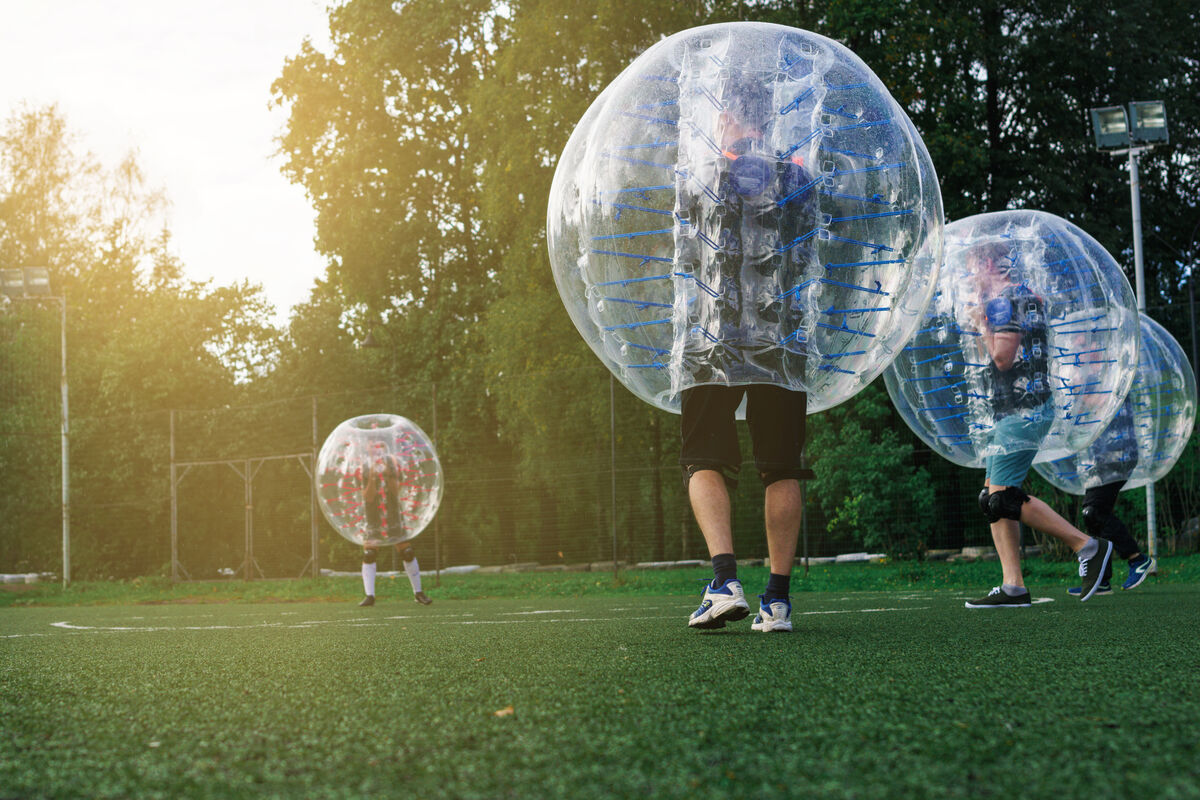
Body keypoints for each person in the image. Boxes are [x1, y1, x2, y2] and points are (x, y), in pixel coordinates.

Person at [675, 70, 813, 633]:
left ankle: (724, 580)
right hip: (781, 339)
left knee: (703, 456)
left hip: (713, 338)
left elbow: (684, 260)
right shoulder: (799, 178)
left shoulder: (702, 175)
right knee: (782, 465)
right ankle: (776, 601)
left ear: (729, 114)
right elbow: (811, 260)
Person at [964, 243, 1113, 607]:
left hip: (1022, 411)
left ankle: (1087, 546)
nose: (970, 276)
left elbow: (1002, 356)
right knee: (992, 499)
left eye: (972, 267)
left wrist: (980, 323)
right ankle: (1013, 585)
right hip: (1022, 410)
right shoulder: (1026, 296)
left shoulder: (1004, 300)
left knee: (1001, 498)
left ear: (987, 263)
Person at [1065, 396, 1156, 595]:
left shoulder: (1112, 371)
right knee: (1094, 517)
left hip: (1117, 453)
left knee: (1094, 511)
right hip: (1099, 456)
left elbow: (1096, 400)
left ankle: (1137, 558)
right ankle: (1101, 580)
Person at [357, 451, 431, 606]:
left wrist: (389, 475)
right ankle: (369, 596)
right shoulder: (364, 467)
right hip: (373, 516)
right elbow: (368, 497)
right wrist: (372, 476)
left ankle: (418, 593)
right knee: (370, 553)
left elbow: (396, 492)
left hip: (393, 514)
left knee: (407, 552)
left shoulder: (392, 464)